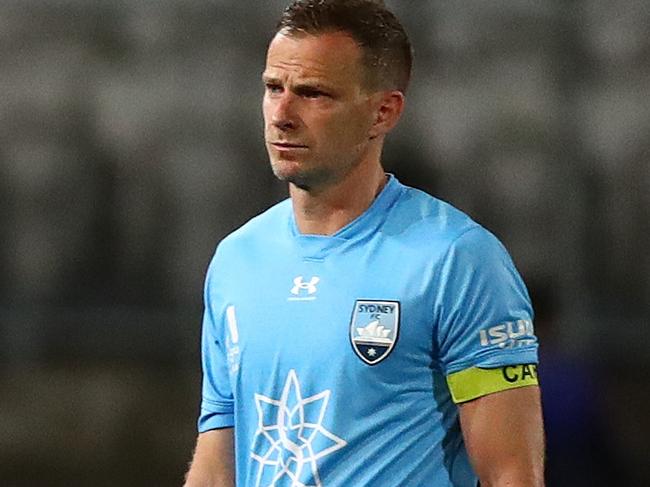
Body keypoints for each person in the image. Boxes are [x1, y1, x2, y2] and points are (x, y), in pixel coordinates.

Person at [184, 1, 544, 486]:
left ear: (383, 112)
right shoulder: (237, 260)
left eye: (313, 93)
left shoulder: (457, 260)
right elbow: (216, 463)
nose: (282, 113)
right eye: (273, 88)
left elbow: (511, 475)